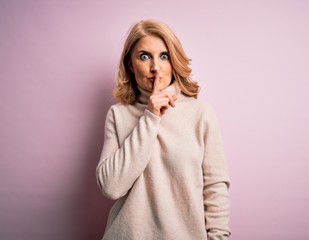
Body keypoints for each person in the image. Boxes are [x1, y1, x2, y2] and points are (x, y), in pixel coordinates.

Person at [96, 19, 231, 240]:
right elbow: (111, 187)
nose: (155, 67)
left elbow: (215, 187)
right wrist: (150, 116)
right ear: (131, 64)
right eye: (144, 56)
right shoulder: (118, 115)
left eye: (164, 56)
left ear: (173, 61)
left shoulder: (200, 114)